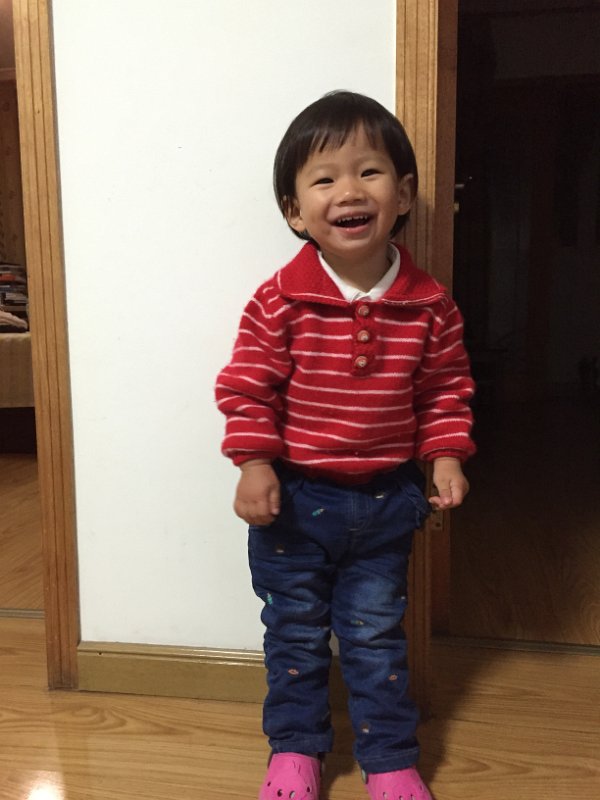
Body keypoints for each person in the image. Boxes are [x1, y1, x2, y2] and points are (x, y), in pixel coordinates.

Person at [215, 90, 476, 800]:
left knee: (375, 637)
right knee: (295, 636)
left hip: (388, 503)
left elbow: (445, 390)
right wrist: (254, 464)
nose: (350, 191)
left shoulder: (430, 305)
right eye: (325, 179)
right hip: (294, 504)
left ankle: (389, 759)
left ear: (404, 195)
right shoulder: (278, 301)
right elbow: (247, 389)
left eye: (370, 172)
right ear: (295, 212)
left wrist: (445, 456)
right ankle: (295, 749)